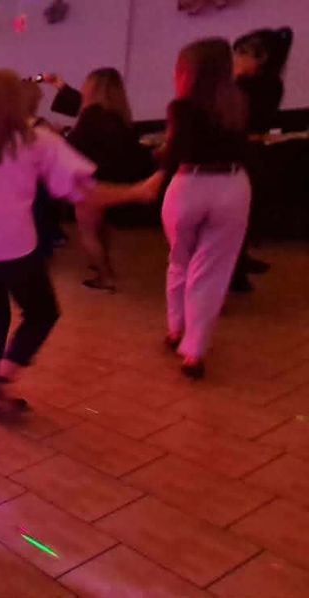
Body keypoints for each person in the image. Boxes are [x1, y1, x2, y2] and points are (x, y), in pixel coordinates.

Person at [0, 70, 159, 415]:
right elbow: (84, 193)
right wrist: (136, 192)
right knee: (42, 312)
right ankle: (2, 376)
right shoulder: (36, 141)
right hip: (14, 250)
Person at [159, 39, 251, 380]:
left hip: (190, 184)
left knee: (180, 259)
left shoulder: (181, 108)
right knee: (212, 269)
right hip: (233, 185)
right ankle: (194, 351)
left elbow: (173, 154)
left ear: (189, 71)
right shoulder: (239, 103)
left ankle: (175, 328)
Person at [46, 68, 157, 292]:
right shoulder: (118, 118)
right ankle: (103, 267)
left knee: (88, 232)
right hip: (113, 182)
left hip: (91, 184)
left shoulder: (91, 117)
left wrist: (58, 137)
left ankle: (105, 277)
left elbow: (75, 148)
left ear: (92, 88)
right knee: (101, 231)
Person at [228, 27, 294, 291]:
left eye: (241, 53)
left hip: (239, 154)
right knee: (241, 213)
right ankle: (237, 263)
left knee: (235, 214)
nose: (235, 59)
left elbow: (240, 121)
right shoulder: (272, 84)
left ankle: (234, 267)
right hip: (252, 155)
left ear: (261, 57)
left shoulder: (248, 87)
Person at [23, 81, 66, 259]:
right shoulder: (40, 125)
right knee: (40, 215)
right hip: (40, 177)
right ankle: (41, 251)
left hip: (22, 177)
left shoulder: (10, 126)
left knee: (31, 215)